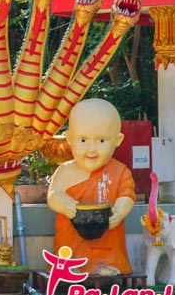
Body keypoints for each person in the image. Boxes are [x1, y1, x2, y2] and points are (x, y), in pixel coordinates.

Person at [47, 98, 136, 275]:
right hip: (72, 235)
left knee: (110, 244)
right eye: (83, 140)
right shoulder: (65, 170)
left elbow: (127, 195)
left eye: (101, 141)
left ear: (118, 140)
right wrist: (66, 205)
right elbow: (53, 195)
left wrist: (119, 212)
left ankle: (108, 265)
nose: (92, 149)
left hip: (108, 236)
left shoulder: (120, 171)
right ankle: (70, 265)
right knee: (68, 249)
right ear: (69, 139)